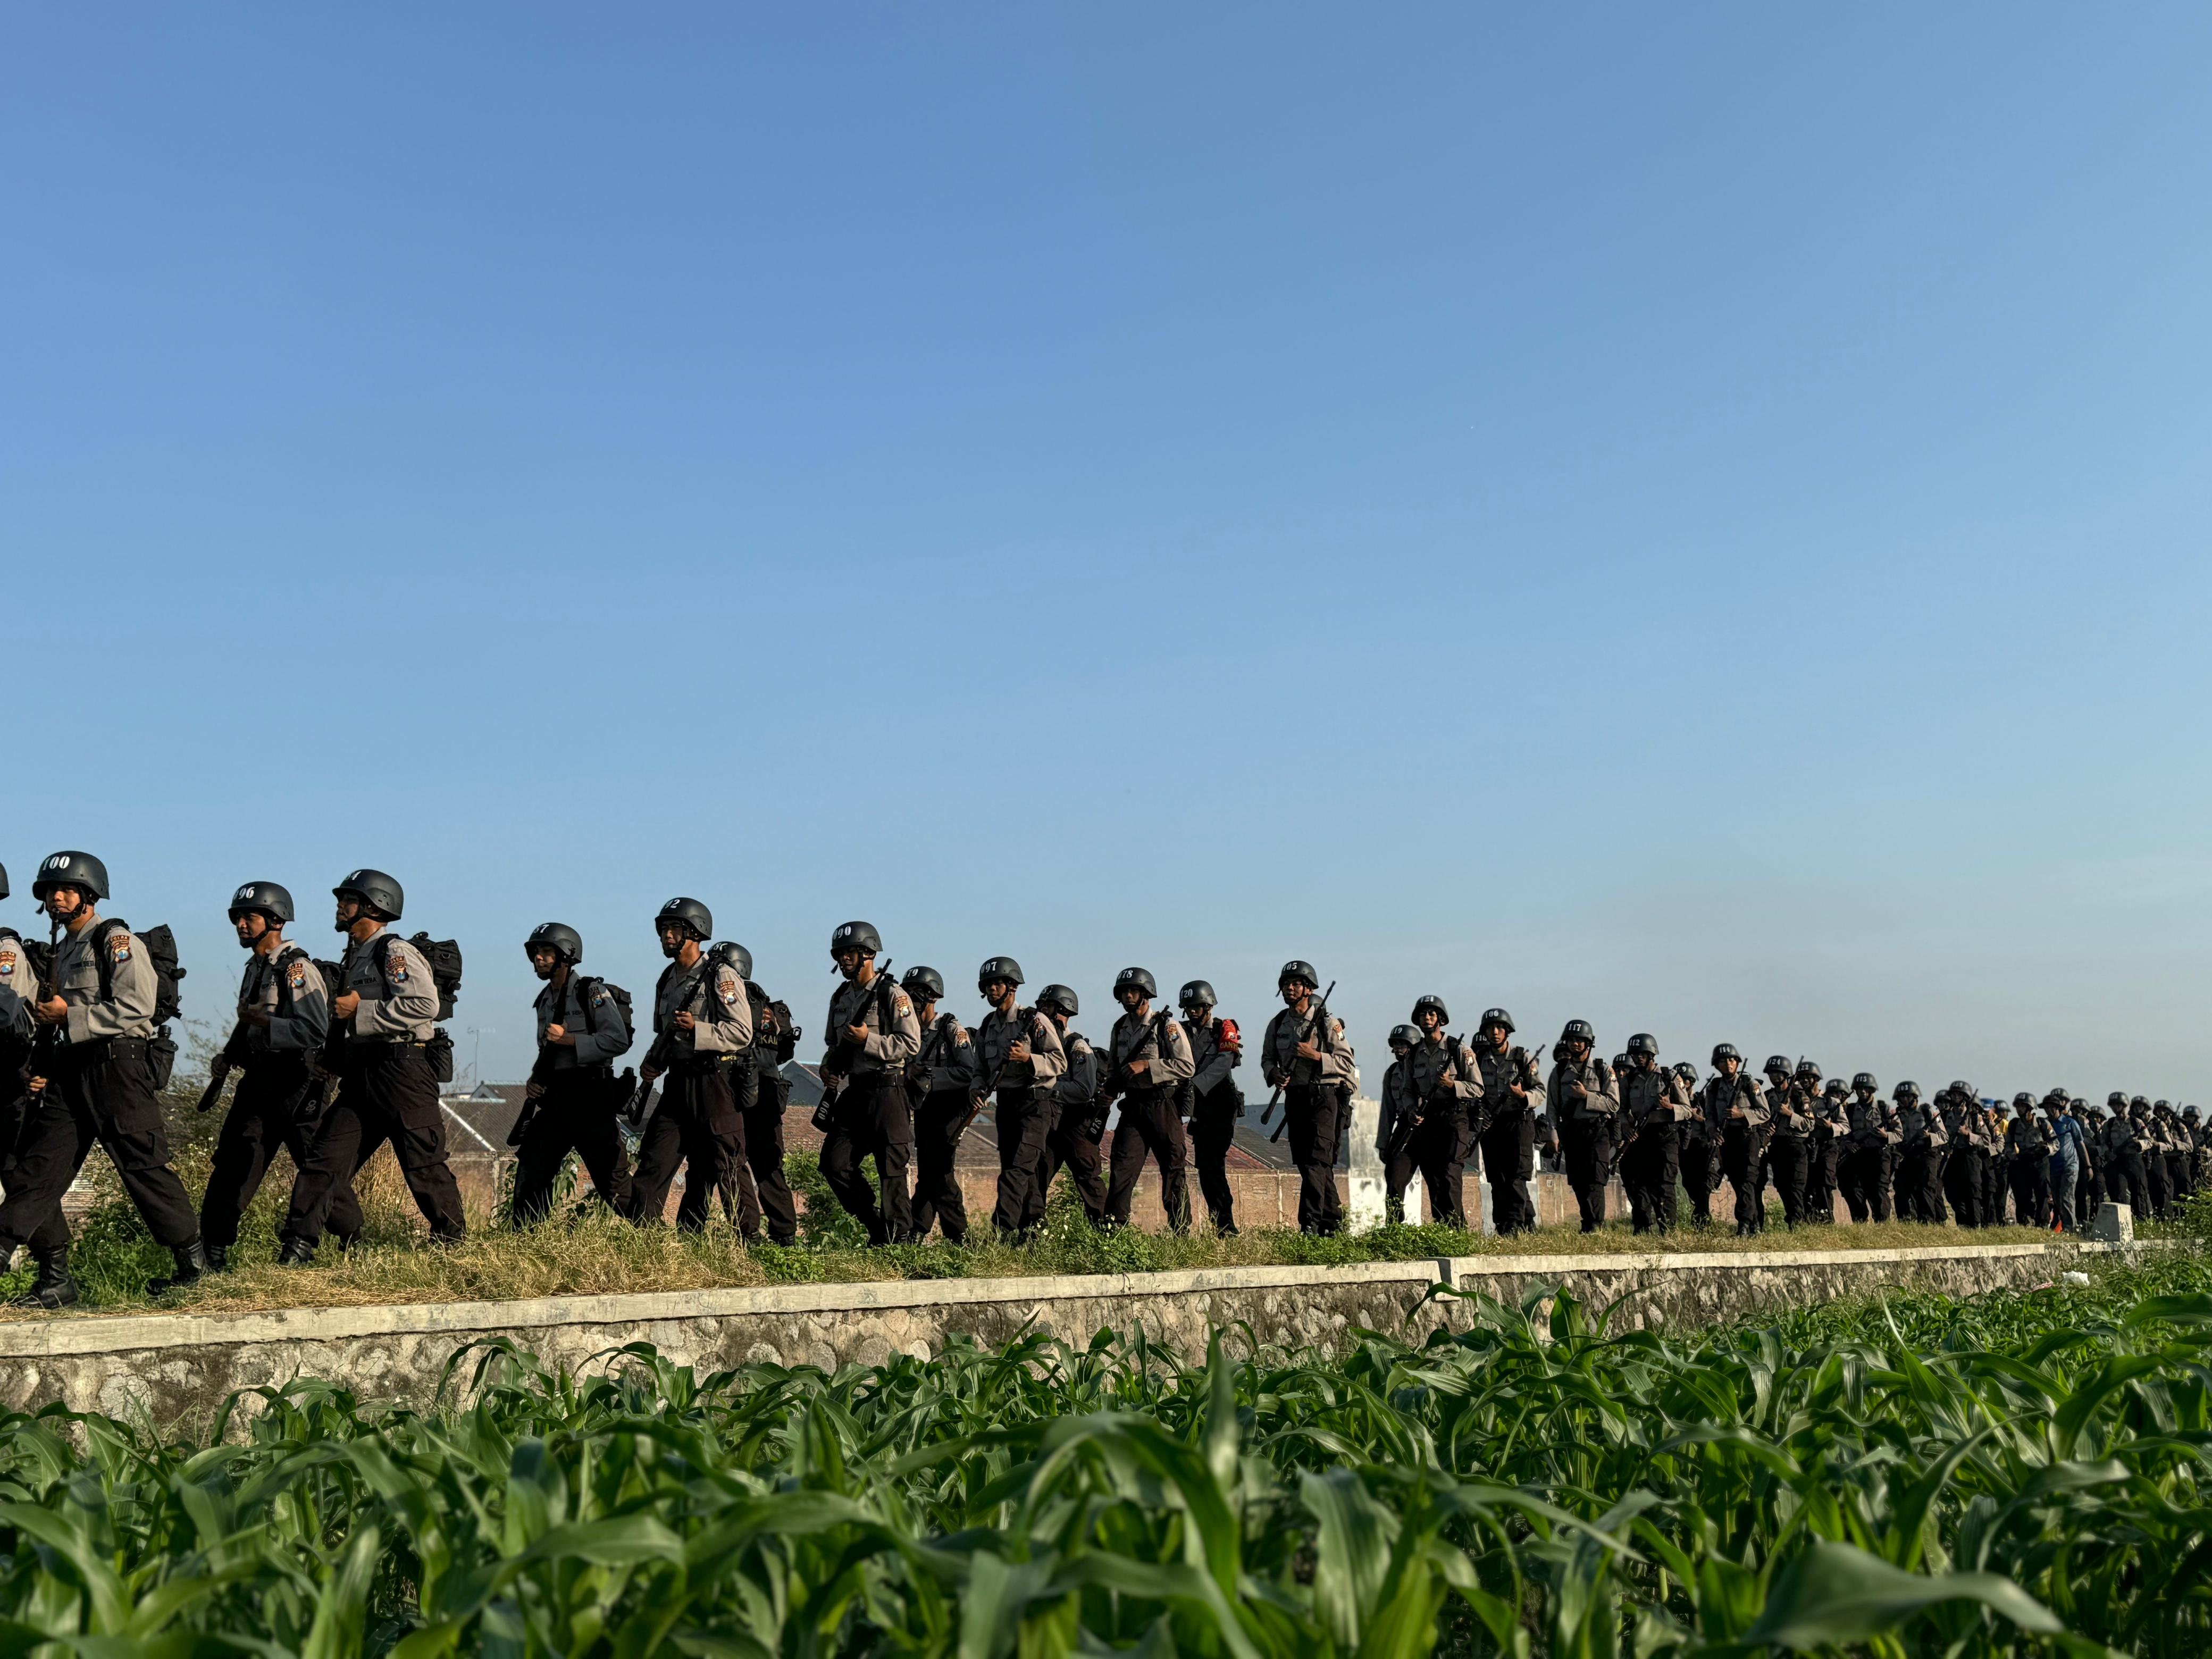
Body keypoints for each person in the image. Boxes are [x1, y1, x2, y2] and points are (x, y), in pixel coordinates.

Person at [0, 853, 203, 1305]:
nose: (57, 897)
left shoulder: (115, 940)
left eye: (67, 889)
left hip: (118, 1068)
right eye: (50, 890)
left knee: (144, 1168)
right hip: (71, 1070)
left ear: (89, 895)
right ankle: (52, 1282)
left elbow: (138, 1007)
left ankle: (196, 1270)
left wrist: (68, 1015)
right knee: (38, 1167)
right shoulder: (64, 949)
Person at [279, 869, 466, 1262]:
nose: (339, 906)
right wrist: (329, 1065)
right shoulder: (355, 956)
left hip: (404, 1073)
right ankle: (298, 1246)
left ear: (372, 906)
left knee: (423, 1165)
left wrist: (360, 1010)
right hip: (363, 1074)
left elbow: (424, 1005)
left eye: (347, 900)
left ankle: (453, 1246)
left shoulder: (394, 952)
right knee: (324, 1160)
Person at [197, 883, 362, 1267]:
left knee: (317, 1166)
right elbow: (252, 1028)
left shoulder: (296, 968)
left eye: (249, 917)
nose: (240, 924)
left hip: (297, 1081)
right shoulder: (255, 968)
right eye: (237, 917)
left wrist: (266, 1024)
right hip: (258, 1080)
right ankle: (213, 1251)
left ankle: (353, 1238)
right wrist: (230, 1056)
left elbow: (313, 1030)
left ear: (274, 921)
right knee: (235, 1162)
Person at [626, 897, 753, 1233]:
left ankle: (750, 1243)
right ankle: (645, 1241)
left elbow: (742, 1032)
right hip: (676, 1083)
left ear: (695, 932)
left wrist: (699, 1029)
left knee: (728, 1163)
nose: (666, 936)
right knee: (655, 1159)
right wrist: (654, 1061)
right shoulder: (667, 978)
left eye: (674, 929)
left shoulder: (721, 975)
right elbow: (666, 1032)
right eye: (664, 929)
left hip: (714, 1081)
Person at [509, 923, 635, 1227]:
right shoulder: (544, 1000)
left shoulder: (591, 991)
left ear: (566, 955)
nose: (539, 958)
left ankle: (649, 1230)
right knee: (532, 1167)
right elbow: (547, 1050)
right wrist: (534, 1081)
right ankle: (527, 1238)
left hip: (591, 1095)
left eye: (546, 952)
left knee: (611, 1179)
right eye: (536, 953)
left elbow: (618, 1040)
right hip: (556, 1097)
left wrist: (570, 1040)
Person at [816, 920, 921, 1247]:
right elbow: (834, 1045)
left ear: (868, 954)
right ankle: (874, 1223)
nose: (843, 959)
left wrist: (868, 1040)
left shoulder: (892, 993)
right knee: (834, 1164)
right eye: (841, 954)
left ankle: (898, 1238)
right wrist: (827, 1069)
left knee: (892, 1169)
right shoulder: (840, 997)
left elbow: (911, 1043)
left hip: (889, 1090)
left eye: (850, 952)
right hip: (856, 1090)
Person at [971, 957, 1066, 1241]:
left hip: (1035, 1104)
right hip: (1006, 1104)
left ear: (1011, 986)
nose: (991, 991)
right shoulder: (988, 1024)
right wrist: (977, 1089)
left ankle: (1002, 1232)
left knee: (1017, 1170)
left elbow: (1059, 1062)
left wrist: (1028, 1059)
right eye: (987, 986)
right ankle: (1034, 1234)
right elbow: (979, 1069)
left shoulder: (1034, 1020)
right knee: (1025, 1172)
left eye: (996, 984)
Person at [1261, 962, 1354, 1236]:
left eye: (1295, 983)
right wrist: (1275, 1074)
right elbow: (1267, 1059)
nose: (1289, 988)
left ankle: (1310, 1225)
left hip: (1325, 1098)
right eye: (1286, 983)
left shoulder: (1327, 1022)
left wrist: (1315, 1056)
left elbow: (1346, 1063)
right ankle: (1333, 1221)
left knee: (1317, 1160)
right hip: (1295, 1099)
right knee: (1307, 1163)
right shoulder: (1278, 1023)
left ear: (1309, 988)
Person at [1100, 969, 1196, 1231]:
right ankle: (1113, 1230)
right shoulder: (1120, 1028)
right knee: (1121, 1168)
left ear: (1146, 994)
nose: (1128, 996)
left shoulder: (1167, 1025)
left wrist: (1148, 1066)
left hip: (1163, 1104)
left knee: (1173, 1168)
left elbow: (1187, 1067)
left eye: (1133, 991)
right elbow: (1113, 1068)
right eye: (1123, 992)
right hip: (1133, 1106)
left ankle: (1180, 1230)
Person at [722, 944, 799, 1246]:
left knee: (733, 1160)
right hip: (768, 1091)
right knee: (769, 1166)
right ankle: (785, 1234)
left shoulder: (732, 1000)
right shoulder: (771, 1008)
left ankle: (748, 1234)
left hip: (738, 1091)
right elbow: (784, 1052)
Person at [1392, 996, 1482, 1229]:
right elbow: (1407, 1090)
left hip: (1454, 1118)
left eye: (1432, 1014)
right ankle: (1442, 1228)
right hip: (1427, 1118)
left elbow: (1478, 1088)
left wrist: (1452, 1086)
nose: (1427, 1018)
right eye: (1423, 1015)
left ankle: (1456, 1229)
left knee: (1450, 1174)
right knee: (1433, 1175)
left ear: (1441, 1019)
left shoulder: (1458, 1049)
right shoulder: (1413, 1054)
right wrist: (1412, 1110)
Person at [902, 967, 976, 1244]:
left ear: (931, 997)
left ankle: (959, 1237)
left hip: (950, 1110)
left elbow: (967, 1071)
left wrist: (928, 1075)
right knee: (929, 1174)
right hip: (924, 1109)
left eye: (916, 994)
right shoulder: (910, 1032)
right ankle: (916, 1231)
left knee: (941, 1173)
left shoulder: (951, 1030)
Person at [1033, 984, 1107, 1227]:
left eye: (1048, 1008)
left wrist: (1049, 1088)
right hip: (1051, 1122)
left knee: (1088, 1179)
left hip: (1077, 1123)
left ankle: (1107, 1234)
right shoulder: (1041, 1047)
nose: (1042, 1014)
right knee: (1037, 1176)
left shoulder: (1077, 1047)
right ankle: (1033, 1233)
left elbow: (1084, 1089)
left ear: (1062, 1011)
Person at [1177, 981, 1244, 1235]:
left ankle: (1226, 1224)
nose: (1193, 1012)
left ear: (1208, 1006)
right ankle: (1219, 1223)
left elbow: (1224, 1062)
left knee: (1214, 1165)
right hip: (1195, 1104)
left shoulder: (1223, 1028)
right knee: (1204, 1167)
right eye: (1189, 1008)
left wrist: (1194, 1085)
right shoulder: (1179, 1030)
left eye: (1197, 1007)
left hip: (1220, 1102)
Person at [1472, 1009, 1541, 1236]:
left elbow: (1540, 1092)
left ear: (1507, 1031)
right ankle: (1513, 1223)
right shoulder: (1480, 1059)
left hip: (1519, 1122)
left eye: (1499, 1028)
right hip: (1493, 1123)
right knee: (1497, 1177)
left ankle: (1513, 1226)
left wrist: (1523, 1096)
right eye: (1490, 1028)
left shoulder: (1523, 1058)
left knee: (1517, 1177)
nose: (1495, 1032)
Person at [1546, 1019, 1618, 1232]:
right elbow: (1552, 1107)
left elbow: (1614, 1104)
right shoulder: (1559, 1073)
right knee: (1578, 1180)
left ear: (1589, 1043)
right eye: (1571, 1040)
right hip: (1572, 1131)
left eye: (1580, 1041)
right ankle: (1587, 1222)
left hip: (1597, 1131)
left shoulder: (1602, 1069)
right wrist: (1553, 1134)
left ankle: (1596, 1225)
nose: (1575, 1044)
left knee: (1595, 1179)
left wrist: (1587, 1096)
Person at [1617, 1034, 1688, 1235]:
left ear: (1651, 1054)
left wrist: (1670, 1106)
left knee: (1664, 1185)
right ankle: (1643, 1227)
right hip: (1641, 1135)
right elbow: (1621, 1110)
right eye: (1635, 1054)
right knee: (1641, 1184)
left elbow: (1688, 1110)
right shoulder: (1629, 1080)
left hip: (1665, 1135)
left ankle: (1668, 1230)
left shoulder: (1669, 1076)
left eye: (1642, 1054)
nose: (1638, 1058)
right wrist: (1626, 1126)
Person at [1703, 1044, 1768, 1236]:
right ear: (1717, 1065)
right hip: (1727, 1138)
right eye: (1723, 1061)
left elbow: (1764, 1112)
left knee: (1748, 1180)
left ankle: (1744, 1224)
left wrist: (1742, 1114)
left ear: (1737, 1063)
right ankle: (1755, 1222)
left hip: (1748, 1136)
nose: (1728, 1064)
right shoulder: (1714, 1087)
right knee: (1738, 1181)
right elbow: (1710, 1114)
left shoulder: (1749, 1083)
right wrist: (1712, 1130)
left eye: (1732, 1060)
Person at [1376, 1024, 1422, 1223]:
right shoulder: (1392, 1073)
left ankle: (1451, 1227)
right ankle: (1394, 1222)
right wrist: (1383, 1143)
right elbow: (1387, 1110)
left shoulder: (1424, 1069)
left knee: (1441, 1180)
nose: (1396, 1050)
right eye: (1394, 1045)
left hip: (1429, 1125)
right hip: (1404, 1126)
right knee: (1394, 1177)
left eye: (1401, 1045)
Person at [1838, 1073, 1898, 1223]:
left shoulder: (1884, 1109)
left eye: (1866, 1089)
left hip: (1880, 1154)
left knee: (1878, 1191)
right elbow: (1843, 1131)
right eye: (1859, 1089)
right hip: (1859, 1154)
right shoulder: (1850, 1110)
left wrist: (1886, 1135)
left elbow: (1899, 1134)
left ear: (1872, 1090)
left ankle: (1882, 1225)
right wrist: (1847, 1144)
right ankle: (1860, 1221)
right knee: (1855, 1189)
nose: (1862, 1092)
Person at [1762, 1055, 1813, 1227]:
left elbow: (1809, 1124)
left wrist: (1790, 1115)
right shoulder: (1767, 1096)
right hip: (1777, 1145)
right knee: (1781, 1185)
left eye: (1778, 1074)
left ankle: (1797, 1223)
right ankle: (1793, 1218)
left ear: (1786, 1074)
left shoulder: (1799, 1095)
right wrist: (1767, 1128)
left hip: (1796, 1145)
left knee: (1796, 1187)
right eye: (1771, 1074)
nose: (1774, 1077)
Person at [1891, 1082, 1943, 1224]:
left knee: (1926, 1189)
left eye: (1906, 1097)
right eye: (1901, 1098)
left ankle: (1927, 1223)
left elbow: (1943, 1137)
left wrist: (1928, 1136)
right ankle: (1905, 1221)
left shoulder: (1928, 1112)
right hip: (1907, 1155)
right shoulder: (1897, 1115)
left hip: (1926, 1154)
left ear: (1914, 1097)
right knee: (1901, 1188)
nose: (1903, 1101)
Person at [1674, 1059, 1719, 1224]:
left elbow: (1713, 1121)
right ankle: (1701, 1212)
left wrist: (1695, 1116)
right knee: (1688, 1182)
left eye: (1685, 1080)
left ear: (1691, 1082)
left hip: (1701, 1145)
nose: (1682, 1084)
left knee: (1704, 1183)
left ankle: (1702, 1217)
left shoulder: (1703, 1100)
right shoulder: (1675, 1101)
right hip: (1683, 1146)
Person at [1938, 1083, 1988, 1228]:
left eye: (1959, 1095)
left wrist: (1968, 1135)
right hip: (1952, 1157)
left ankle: (1975, 1225)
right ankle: (1963, 1224)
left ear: (1965, 1097)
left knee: (1972, 1193)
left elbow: (1985, 1140)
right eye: (1953, 1095)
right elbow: (1940, 1136)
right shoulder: (1946, 1116)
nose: (1955, 1097)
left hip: (1969, 1157)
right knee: (1953, 1193)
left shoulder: (1974, 1117)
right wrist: (1944, 1146)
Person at [1804, 1067, 1845, 1224]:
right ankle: (1810, 1220)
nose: (1805, 1081)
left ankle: (1827, 1220)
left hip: (1827, 1146)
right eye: (1802, 1078)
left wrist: (1830, 1126)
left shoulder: (1830, 1102)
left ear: (1816, 1079)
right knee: (1807, 1185)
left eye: (1809, 1078)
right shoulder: (1799, 1099)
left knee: (1825, 1183)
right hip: (1807, 1146)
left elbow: (1845, 1127)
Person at [2004, 1092, 2050, 1229]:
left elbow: (2055, 1143)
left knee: (2042, 1193)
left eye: (2022, 1107)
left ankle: (2043, 1224)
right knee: (2021, 1194)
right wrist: (2010, 1153)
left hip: (2040, 1161)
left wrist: (2045, 1148)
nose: (2019, 1110)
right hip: (2022, 1161)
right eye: (2017, 1107)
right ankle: (2024, 1222)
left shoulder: (2042, 1124)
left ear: (2030, 1108)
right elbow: (2008, 1144)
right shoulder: (2013, 1125)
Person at [2045, 1090, 2084, 1233]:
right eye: (2047, 1108)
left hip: (2070, 1166)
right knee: (2057, 1198)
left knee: (2067, 1197)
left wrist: (2088, 1166)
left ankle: (2070, 1228)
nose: (2049, 1111)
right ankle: (2064, 1225)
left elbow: (2080, 1144)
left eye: (2052, 1108)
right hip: (2053, 1167)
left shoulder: (2070, 1123)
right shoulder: (2045, 1125)